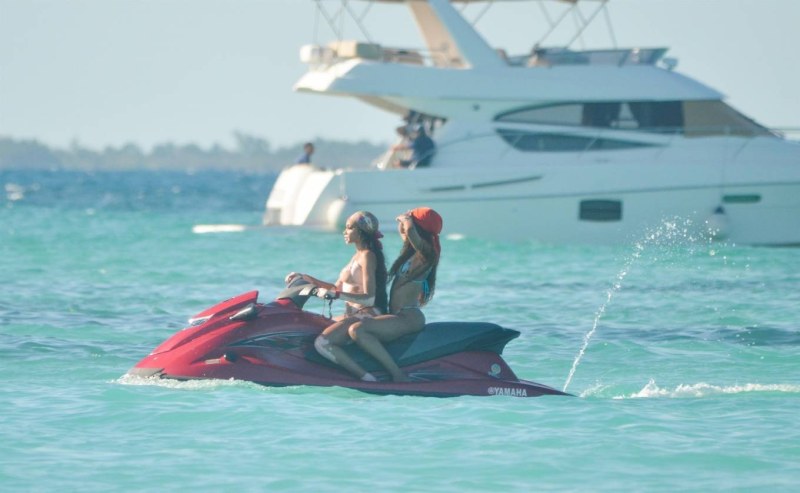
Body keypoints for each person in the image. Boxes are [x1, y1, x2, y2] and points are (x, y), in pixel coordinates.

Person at [342, 207, 443, 382]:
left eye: (406, 225)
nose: (402, 229)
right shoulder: (411, 255)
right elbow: (409, 234)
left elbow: (410, 231)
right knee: (348, 323)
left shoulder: (427, 254)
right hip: (397, 316)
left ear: (418, 228)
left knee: (358, 330)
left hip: (408, 317)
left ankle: (398, 375)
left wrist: (406, 218)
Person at [288, 212, 388, 379]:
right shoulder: (356, 256)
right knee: (310, 324)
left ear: (361, 231)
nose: (344, 231)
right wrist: (305, 278)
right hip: (352, 315)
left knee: (323, 342)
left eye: (349, 227)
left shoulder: (367, 256)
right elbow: (335, 287)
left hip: (368, 314)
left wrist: (336, 295)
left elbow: (369, 298)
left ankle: (367, 378)